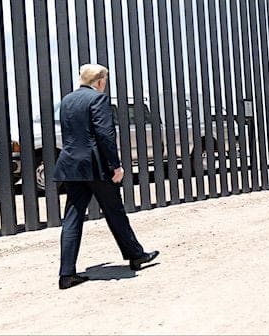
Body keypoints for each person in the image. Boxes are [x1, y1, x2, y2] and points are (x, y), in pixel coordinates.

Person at [53, 64, 159, 290]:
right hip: (95, 166)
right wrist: (116, 166)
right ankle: (136, 255)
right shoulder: (98, 100)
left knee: (72, 216)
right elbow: (105, 134)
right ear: (100, 81)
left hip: (71, 166)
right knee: (114, 211)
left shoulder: (67, 100)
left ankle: (66, 274)